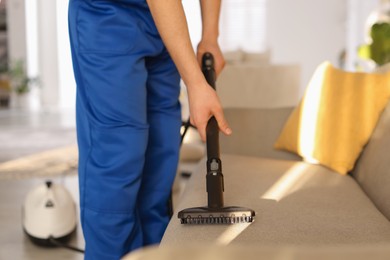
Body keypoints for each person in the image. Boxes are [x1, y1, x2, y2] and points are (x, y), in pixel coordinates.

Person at [68, 0, 232, 258]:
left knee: (161, 149)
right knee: (120, 153)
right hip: (106, 17)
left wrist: (210, 36)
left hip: (164, 20)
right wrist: (195, 83)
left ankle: (153, 254)